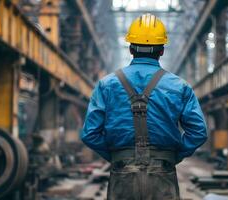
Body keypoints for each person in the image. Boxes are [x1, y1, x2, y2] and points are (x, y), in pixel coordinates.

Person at [81, 13, 208, 200]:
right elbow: (198, 132)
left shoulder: (106, 85)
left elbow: (90, 134)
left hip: (122, 172)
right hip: (163, 173)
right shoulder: (179, 86)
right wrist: (171, 157)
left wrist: (117, 157)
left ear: (131, 48)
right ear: (162, 50)